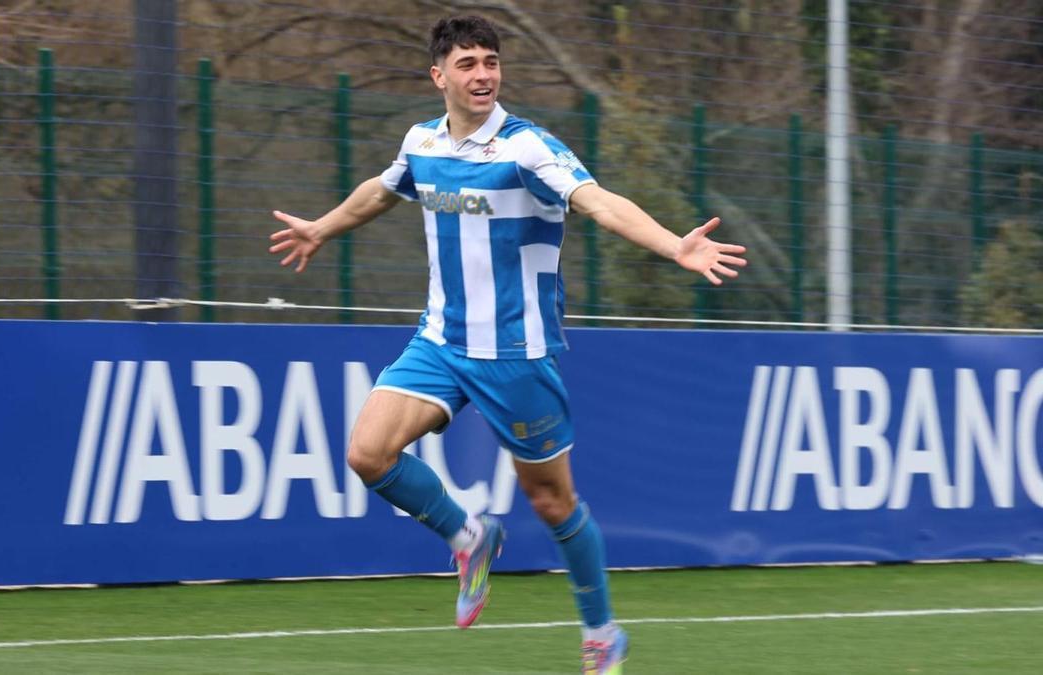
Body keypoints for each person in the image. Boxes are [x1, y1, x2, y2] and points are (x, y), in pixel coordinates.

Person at [269, 15, 746, 675]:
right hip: (439, 341)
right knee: (366, 451)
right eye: (467, 63)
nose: (483, 74)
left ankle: (603, 631)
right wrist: (321, 228)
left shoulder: (527, 149)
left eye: (490, 61)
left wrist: (675, 246)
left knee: (553, 502)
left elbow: (599, 201)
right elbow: (383, 190)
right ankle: (469, 536)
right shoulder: (423, 141)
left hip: (516, 356)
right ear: (438, 76)